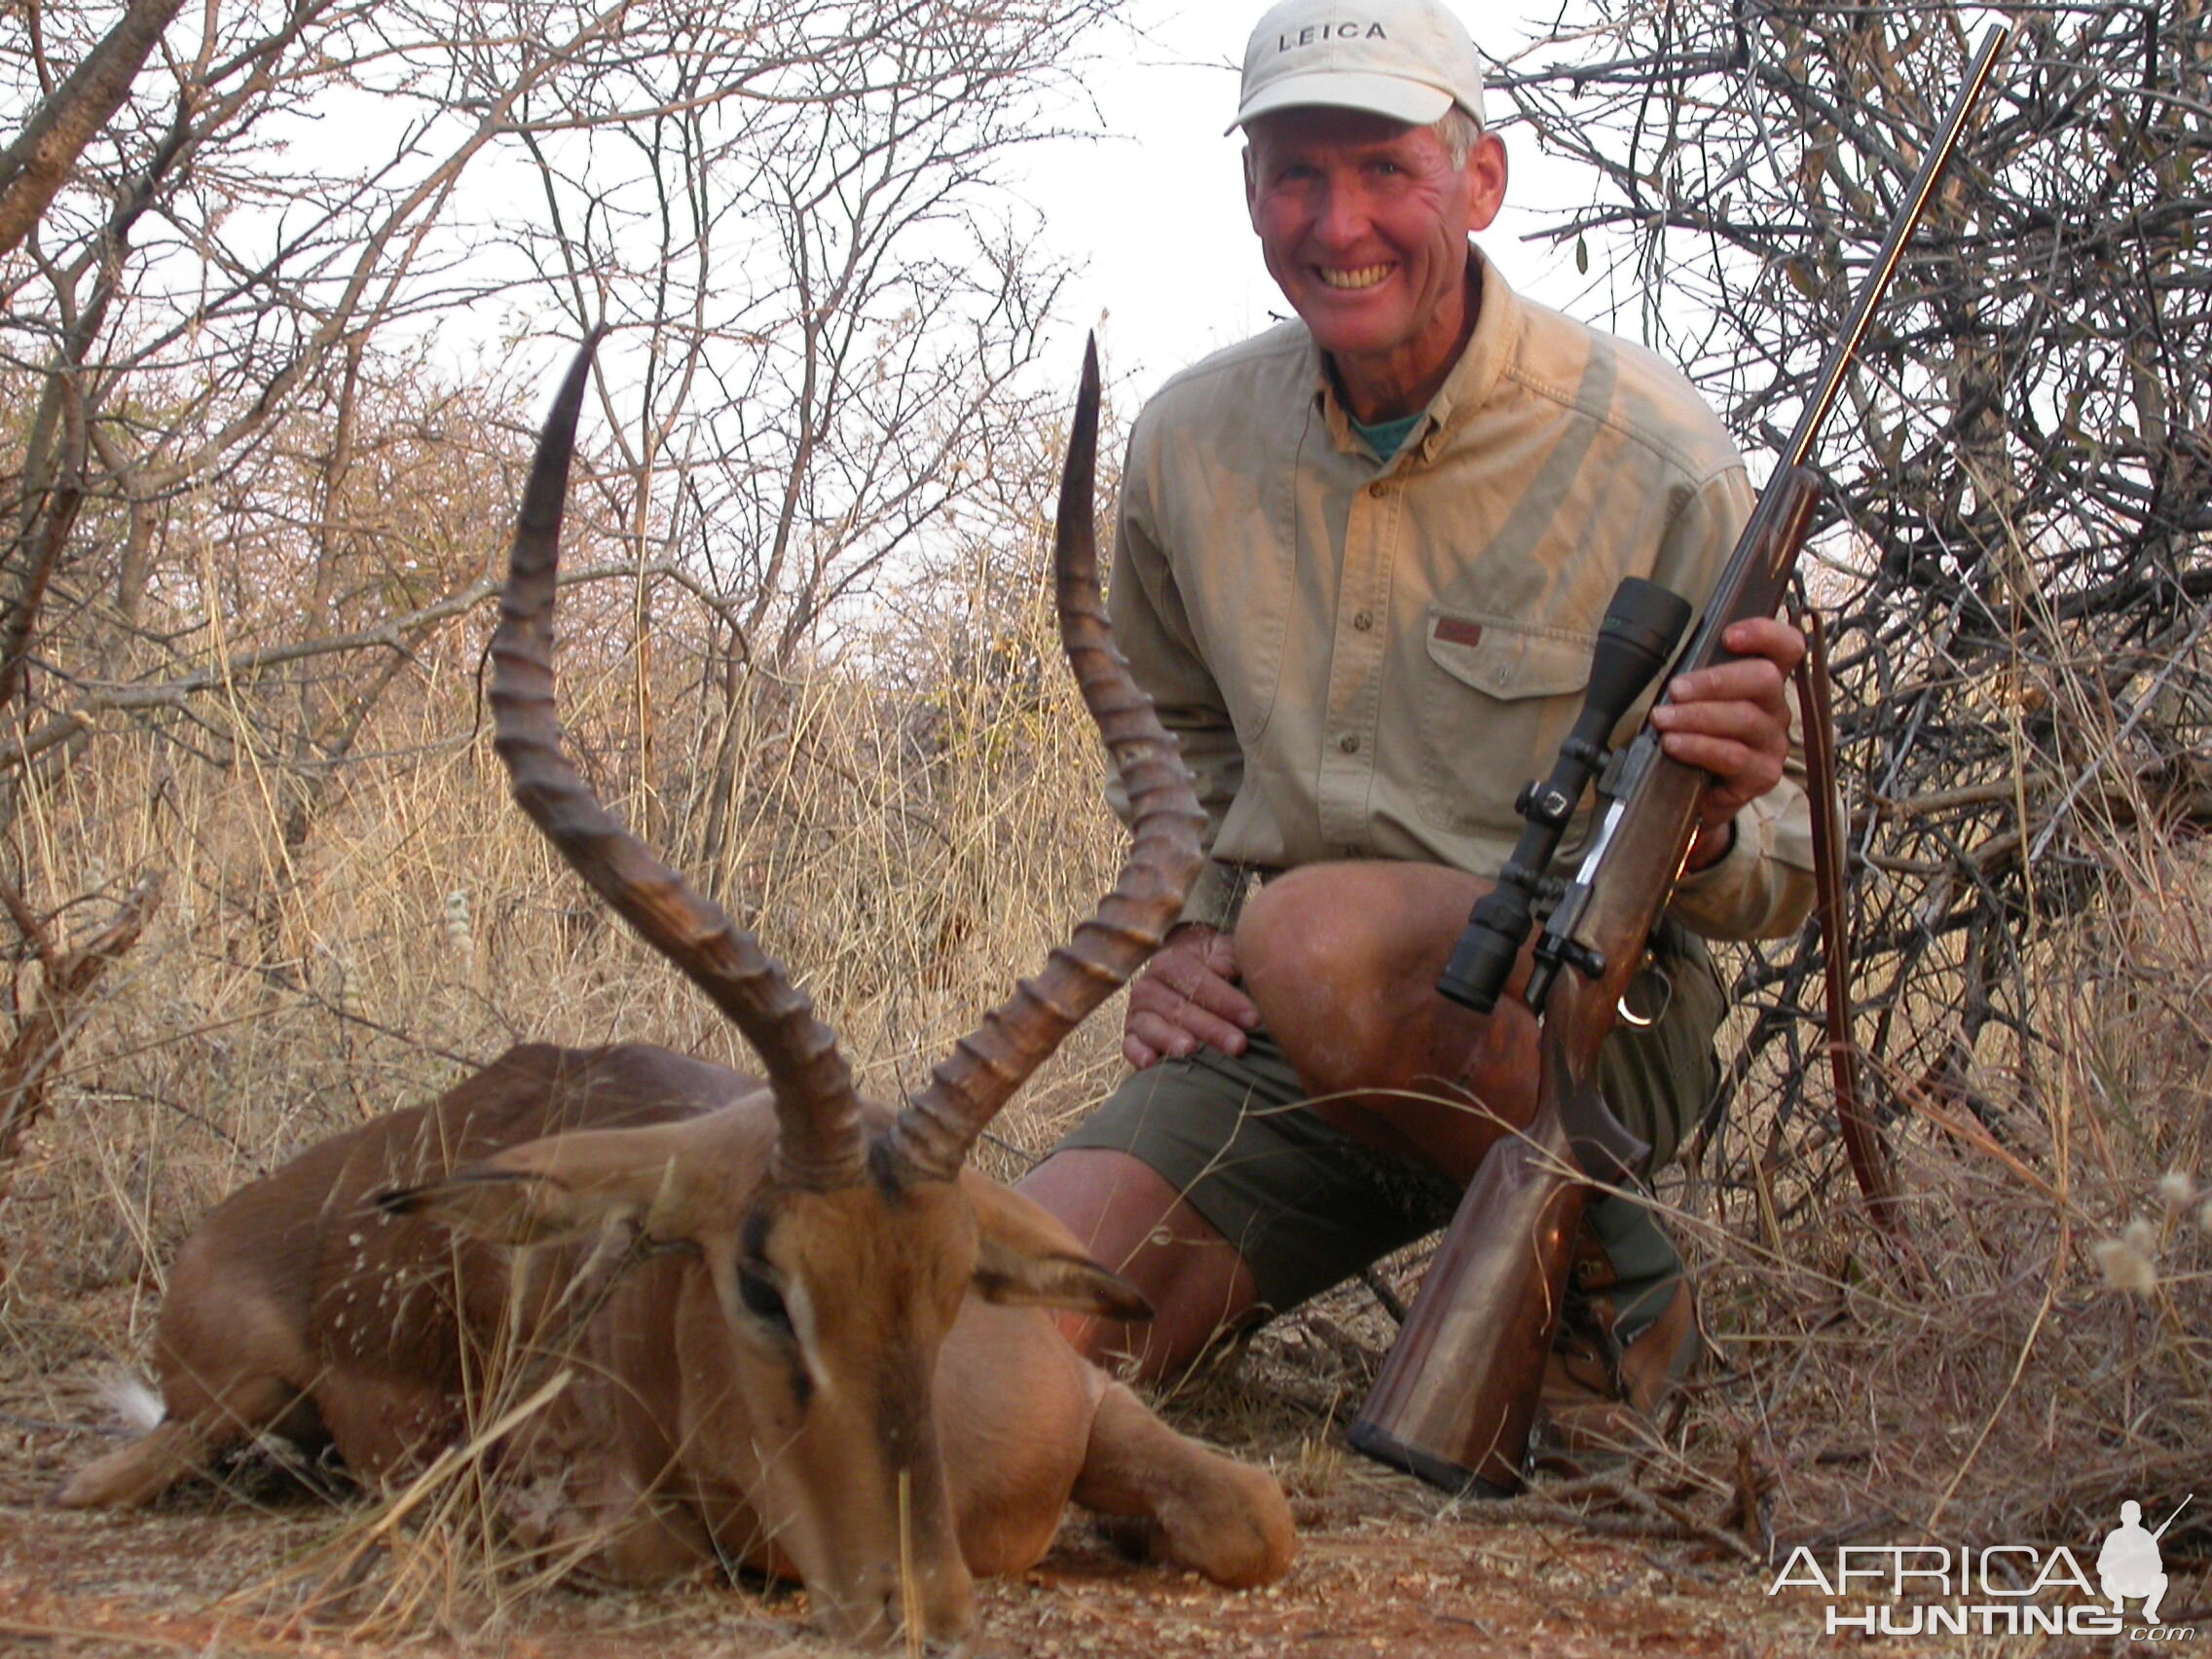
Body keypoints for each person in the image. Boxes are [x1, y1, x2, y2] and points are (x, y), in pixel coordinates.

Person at [1019, 0, 1815, 1448]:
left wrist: (1710, 832)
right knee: (988, 1326)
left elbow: (1794, 865)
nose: (1339, 222)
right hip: (1284, 1025)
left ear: (1481, 182)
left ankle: (1606, 1282)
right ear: (1250, 191)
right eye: (1296, 175)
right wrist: (1194, 926)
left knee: (1321, 938)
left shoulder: (1658, 455)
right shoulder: (1188, 445)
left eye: (1386, 168)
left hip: (1577, 1035)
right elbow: (1175, 738)